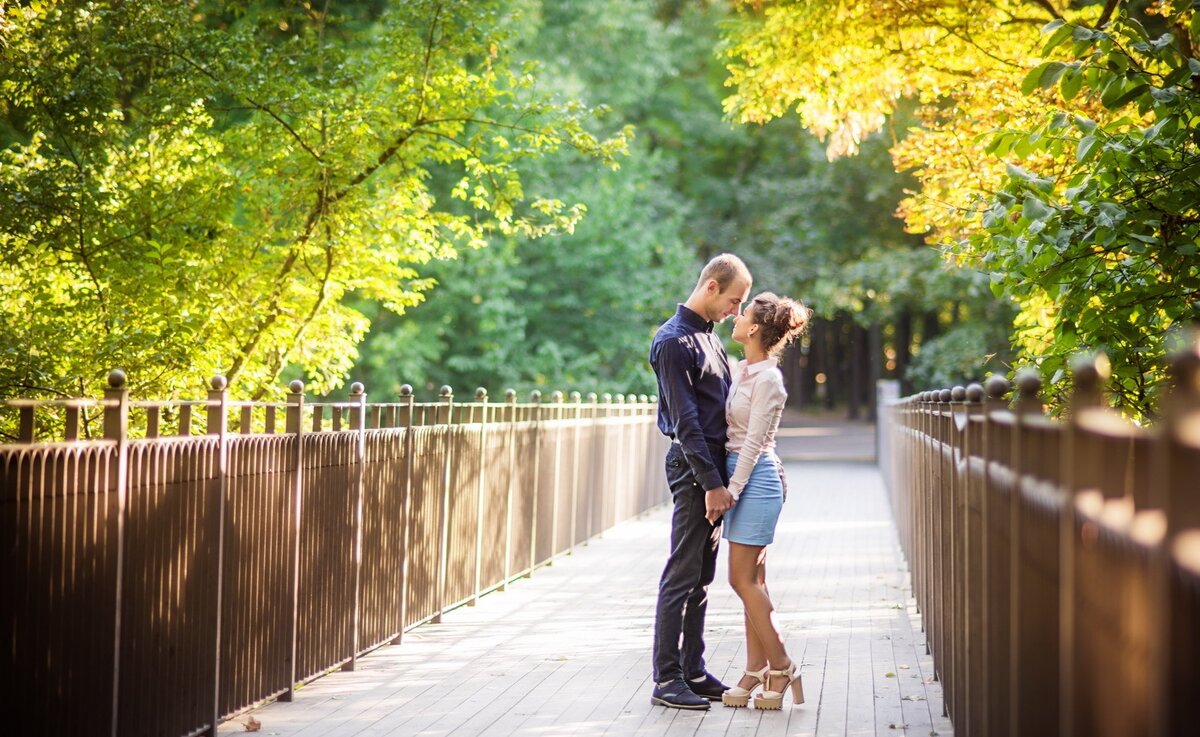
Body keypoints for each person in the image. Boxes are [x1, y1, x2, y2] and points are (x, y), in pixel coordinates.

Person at [648, 254, 752, 710]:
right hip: (693, 467)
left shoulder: (710, 341)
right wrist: (711, 482)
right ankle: (666, 678)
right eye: (734, 300)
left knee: (703, 576)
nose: (736, 311)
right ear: (711, 286)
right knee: (682, 572)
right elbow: (687, 423)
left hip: (712, 467)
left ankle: (692, 668)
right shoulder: (672, 342)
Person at [717, 292, 810, 710]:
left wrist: (732, 490)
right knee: (754, 581)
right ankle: (758, 670)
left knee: (741, 580)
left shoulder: (769, 379)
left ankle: (783, 663)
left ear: (754, 329)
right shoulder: (743, 369)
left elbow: (754, 443)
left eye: (744, 314)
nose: (735, 317)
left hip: (755, 480)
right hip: (743, 476)